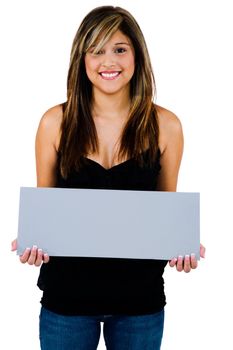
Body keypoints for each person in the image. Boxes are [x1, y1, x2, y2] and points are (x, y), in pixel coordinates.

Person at [11, 5, 205, 350]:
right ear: (81, 59)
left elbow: (165, 213)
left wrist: (180, 244)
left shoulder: (167, 126)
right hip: (66, 299)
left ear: (137, 56)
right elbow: (47, 210)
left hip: (139, 300)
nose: (108, 62)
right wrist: (33, 239)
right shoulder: (54, 123)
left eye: (120, 49)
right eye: (96, 50)